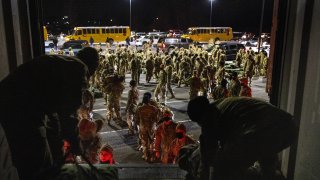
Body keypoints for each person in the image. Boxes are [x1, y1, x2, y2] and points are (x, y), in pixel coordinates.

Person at [0, 47, 99, 180]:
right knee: (39, 159)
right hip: (22, 110)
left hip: (9, 104)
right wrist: (76, 143)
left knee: (25, 156)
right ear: (94, 66)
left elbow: (54, 114)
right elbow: (68, 114)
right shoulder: (79, 69)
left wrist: (59, 142)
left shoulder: (62, 62)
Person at [182, 96, 297, 180]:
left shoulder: (210, 118)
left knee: (225, 166)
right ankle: (269, 175)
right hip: (289, 127)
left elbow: (208, 157)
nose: (202, 126)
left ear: (201, 118)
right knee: (264, 154)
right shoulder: (221, 105)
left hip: (267, 131)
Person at [135, 93, 159, 162]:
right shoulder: (154, 108)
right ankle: (152, 157)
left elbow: (137, 120)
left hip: (143, 127)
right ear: (149, 101)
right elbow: (157, 119)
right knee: (152, 141)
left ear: (143, 101)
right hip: (151, 127)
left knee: (144, 142)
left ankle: (146, 156)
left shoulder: (139, 109)